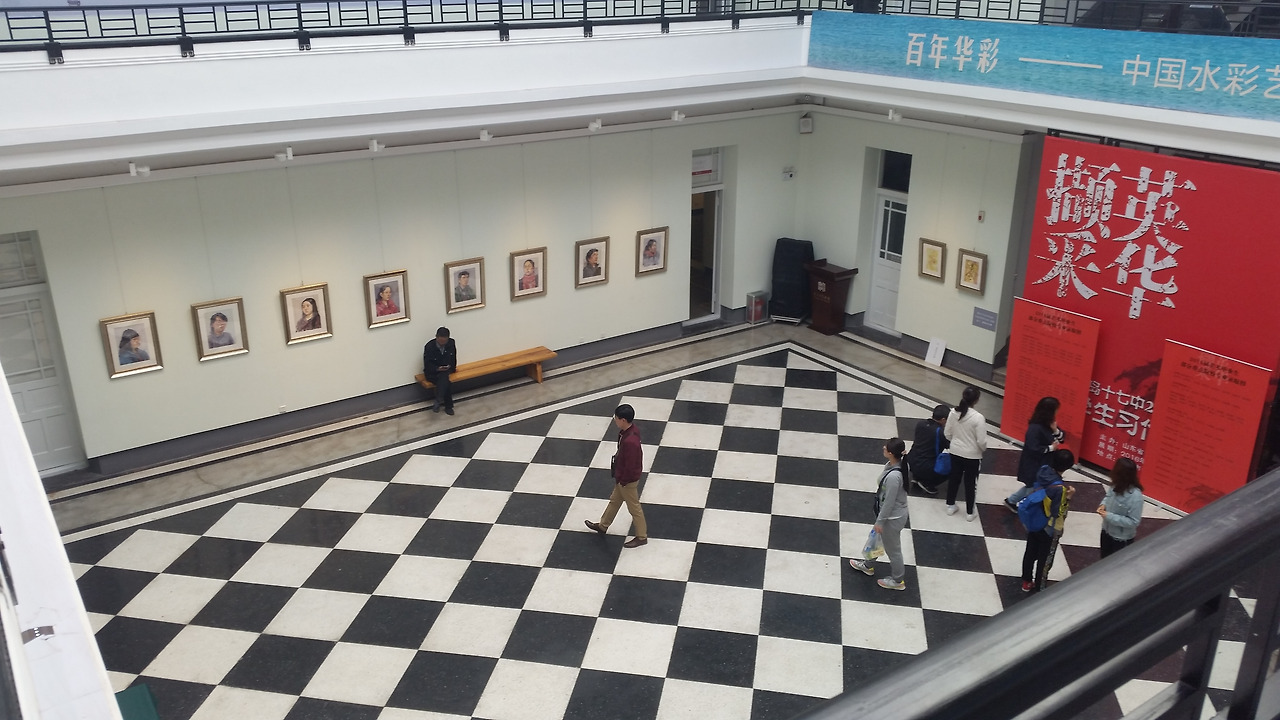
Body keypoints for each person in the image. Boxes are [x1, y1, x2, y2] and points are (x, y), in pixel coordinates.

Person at [849, 437, 910, 590]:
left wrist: (880, 521)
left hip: (891, 518)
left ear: (891, 453)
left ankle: (898, 581)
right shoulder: (896, 465)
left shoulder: (894, 477)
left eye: (886, 447)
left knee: (893, 550)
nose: (883, 448)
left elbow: (889, 502)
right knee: (875, 539)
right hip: (889, 515)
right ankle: (868, 565)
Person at [584, 404, 648, 548]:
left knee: (634, 508)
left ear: (623, 420)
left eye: (616, 418)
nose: (614, 420)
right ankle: (603, 526)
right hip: (623, 478)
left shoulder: (630, 441)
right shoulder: (629, 431)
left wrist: (623, 480)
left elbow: (630, 465)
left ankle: (641, 536)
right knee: (614, 501)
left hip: (627, 480)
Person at [1021, 449, 1076, 592]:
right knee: (1044, 560)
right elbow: (1058, 512)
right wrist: (1068, 497)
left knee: (1030, 552)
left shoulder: (1042, 471)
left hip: (1034, 520)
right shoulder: (1060, 489)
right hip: (1049, 528)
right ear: (1068, 466)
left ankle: (1026, 581)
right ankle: (1040, 587)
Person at [1004, 397, 1066, 512]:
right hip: (1033, 464)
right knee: (1033, 486)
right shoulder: (1035, 428)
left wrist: (1056, 431)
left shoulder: (1049, 424)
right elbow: (1033, 448)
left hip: (1043, 463)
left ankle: (1012, 501)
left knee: (1033, 486)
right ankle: (1019, 505)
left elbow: (1062, 438)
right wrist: (1051, 448)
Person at [944, 385, 987, 522]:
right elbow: (981, 441)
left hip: (955, 451)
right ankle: (969, 512)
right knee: (970, 483)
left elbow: (947, 433)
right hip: (972, 456)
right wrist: (982, 449)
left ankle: (950, 506)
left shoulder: (953, 412)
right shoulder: (978, 418)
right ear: (976, 400)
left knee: (954, 478)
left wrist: (955, 442)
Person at [1097, 457, 1144, 558]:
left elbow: (1134, 522)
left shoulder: (1136, 497)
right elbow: (1108, 496)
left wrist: (1109, 516)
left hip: (1121, 539)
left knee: (1116, 564)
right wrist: (1103, 505)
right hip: (1106, 531)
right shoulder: (1115, 485)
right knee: (1104, 560)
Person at [906, 405, 950, 495]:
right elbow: (949, 446)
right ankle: (927, 483)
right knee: (953, 466)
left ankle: (917, 477)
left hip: (911, 460)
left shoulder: (920, 424)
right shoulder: (940, 433)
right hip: (926, 466)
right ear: (943, 419)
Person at [422, 327, 457, 415]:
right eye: (440, 341)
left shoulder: (451, 343)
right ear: (436, 337)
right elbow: (427, 364)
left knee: (444, 377)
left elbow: (453, 357)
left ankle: (439, 399)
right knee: (445, 381)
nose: (442, 344)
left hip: (446, 370)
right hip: (433, 373)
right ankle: (448, 406)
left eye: (444, 342)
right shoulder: (429, 347)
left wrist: (451, 367)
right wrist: (437, 368)